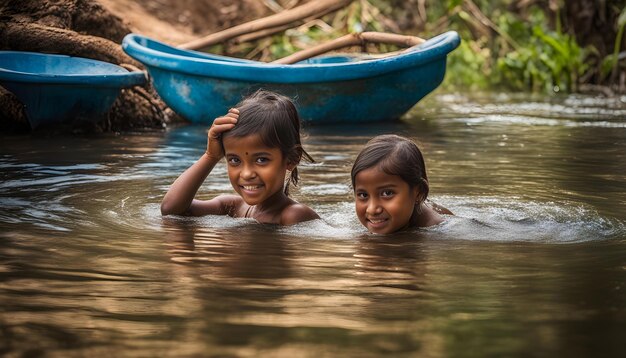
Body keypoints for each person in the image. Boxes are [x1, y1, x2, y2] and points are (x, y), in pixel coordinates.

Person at [161, 90, 319, 225]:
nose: (246, 174)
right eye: (235, 160)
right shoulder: (231, 207)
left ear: (291, 159)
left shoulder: (293, 215)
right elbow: (171, 210)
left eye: (261, 160)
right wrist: (211, 156)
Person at [351, 134, 452, 234]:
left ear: (418, 193)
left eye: (387, 193)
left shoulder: (437, 231)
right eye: (363, 195)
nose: (372, 209)